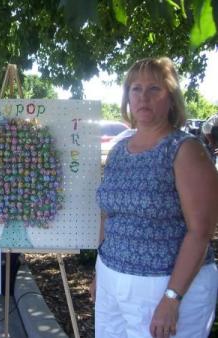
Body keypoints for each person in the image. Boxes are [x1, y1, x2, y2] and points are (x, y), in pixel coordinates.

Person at [91, 57, 218, 338]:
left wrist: (172, 298)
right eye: (136, 89)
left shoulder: (186, 150)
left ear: (171, 99)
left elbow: (201, 231)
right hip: (112, 279)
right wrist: (100, 271)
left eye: (155, 89)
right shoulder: (119, 149)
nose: (143, 97)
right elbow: (108, 215)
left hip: (165, 288)